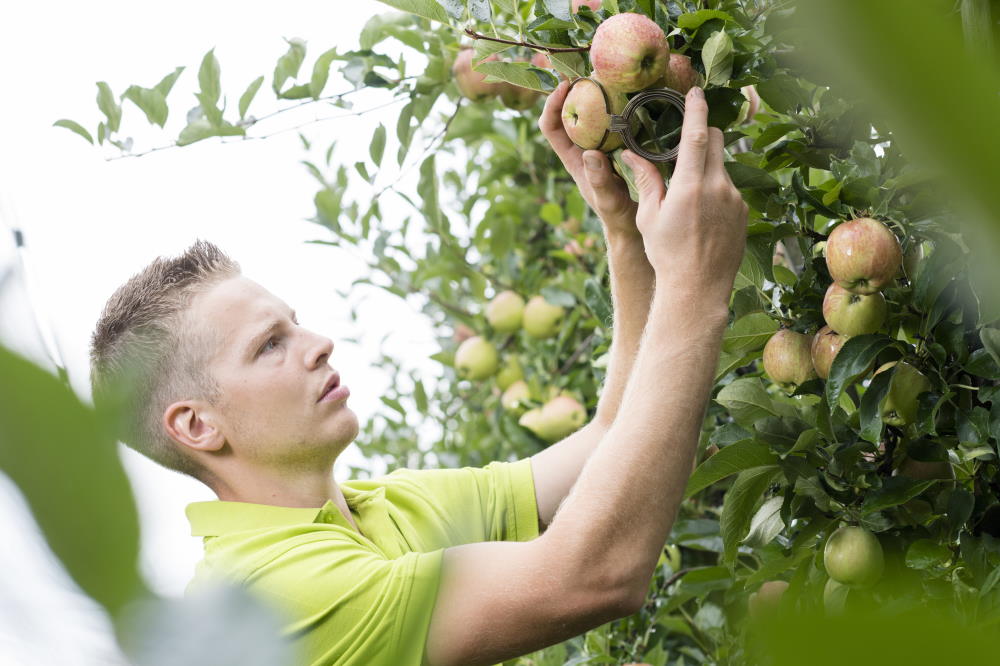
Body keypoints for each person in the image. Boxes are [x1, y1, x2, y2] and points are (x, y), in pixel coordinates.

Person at [87, 82, 747, 666]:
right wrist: (694, 285)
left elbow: (613, 434)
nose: (319, 345)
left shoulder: (388, 507)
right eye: (270, 346)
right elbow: (595, 573)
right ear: (197, 425)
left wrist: (622, 227)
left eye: (296, 323)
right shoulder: (270, 600)